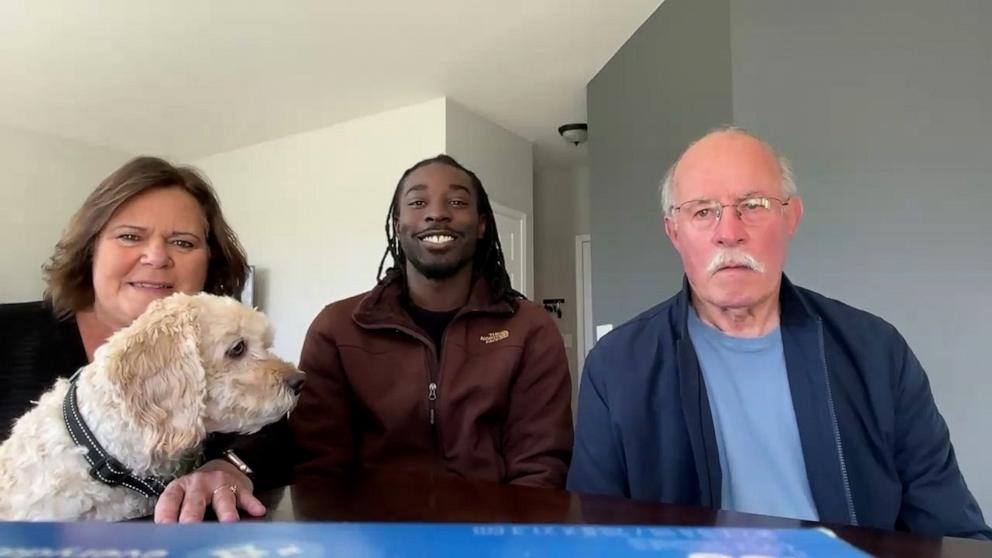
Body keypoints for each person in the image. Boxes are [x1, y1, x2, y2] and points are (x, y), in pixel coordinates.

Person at [566, 128, 991, 539]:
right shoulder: (617, 367)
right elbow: (593, 540)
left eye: (753, 205)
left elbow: (952, 530)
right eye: (702, 211)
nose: (729, 232)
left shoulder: (876, 352)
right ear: (673, 232)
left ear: (791, 217)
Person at [0, 156, 263, 523]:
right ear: (91, 250)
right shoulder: (6, 333)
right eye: (129, 236)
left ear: (209, 263)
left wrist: (230, 466)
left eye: (183, 243)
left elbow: (276, 433)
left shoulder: (226, 352)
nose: (156, 257)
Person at [289, 154, 573, 487]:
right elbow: (317, 469)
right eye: (418, 202)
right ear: (398, 224)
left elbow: (539, 467)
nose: (437, 213)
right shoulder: (336, 328)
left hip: (493, 534)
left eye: (456, 201)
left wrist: (509, 539)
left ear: (481, 224)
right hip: (371, 534)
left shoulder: (530, 329)